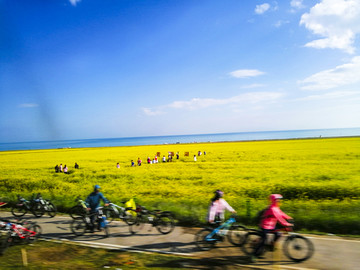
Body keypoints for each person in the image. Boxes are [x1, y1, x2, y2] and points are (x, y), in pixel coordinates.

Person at [253, 194, 293, 260]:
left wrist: (289, 218)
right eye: (277, 200)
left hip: (271, 225)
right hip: (265, 226)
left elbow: (281, 214)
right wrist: (286, 223)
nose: (279, 201)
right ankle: (254, 255)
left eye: (279, 200)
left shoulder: (276, 208)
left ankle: (271, 244)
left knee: (279, 234)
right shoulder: (272, 208)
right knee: (264, 241)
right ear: (273, 200)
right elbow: (278, 218)